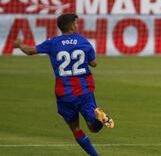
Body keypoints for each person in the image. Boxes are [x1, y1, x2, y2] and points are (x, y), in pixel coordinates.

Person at [13, 13, 114, 156]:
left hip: (64, 93)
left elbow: (30, 51)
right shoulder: (83, 41)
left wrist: (19, 45)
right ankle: (98, 118)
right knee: (93, 127)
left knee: (75, 128)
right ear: (72, 26)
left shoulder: (53, 43)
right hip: (84, 90)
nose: (77, 26)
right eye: (77, 23)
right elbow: (94, 63)